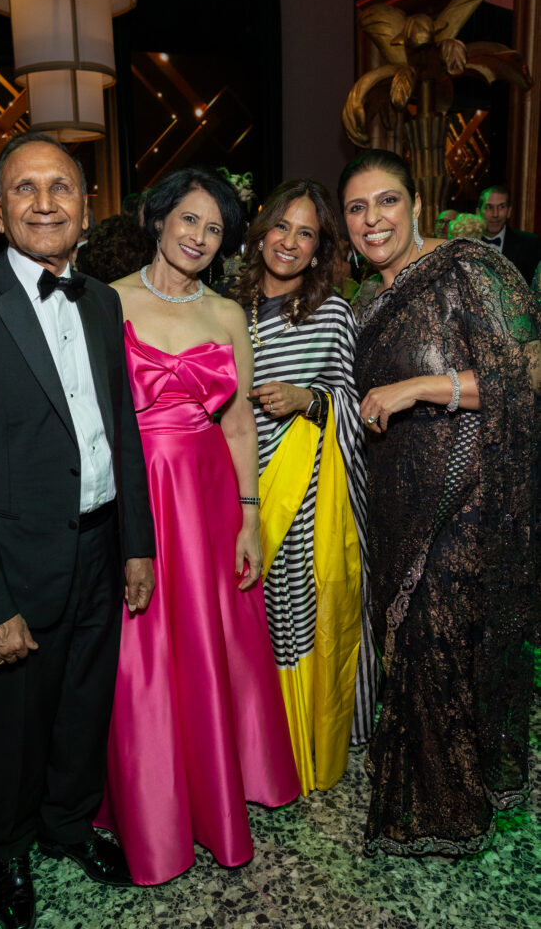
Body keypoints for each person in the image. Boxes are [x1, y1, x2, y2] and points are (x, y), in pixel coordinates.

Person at [0, 131, 155, 928]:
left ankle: (66, 823)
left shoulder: (103, 300)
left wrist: (135, 542)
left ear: (87, 206)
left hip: (97, 543)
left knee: (85, 702)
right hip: (13, 560)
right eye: (25, 188)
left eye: (61, 186)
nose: (45, 200)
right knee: (15, 721)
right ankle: (10, 848)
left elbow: (119, 426)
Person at [96, 167, 299, 885]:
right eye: (188, 220)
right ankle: (153, 805)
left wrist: (248, 517)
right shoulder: (107, 301)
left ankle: (220, 786)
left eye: (215, 230)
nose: (199, 237)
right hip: (140, 489)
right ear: (157, 220)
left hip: (211, 496)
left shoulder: (226, 316)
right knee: (144, 651)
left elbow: (240, 422)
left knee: (215, 642)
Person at [339, 148, 540, 857]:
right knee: (408, 650)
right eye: (357, 208)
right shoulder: (363, 301)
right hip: (395, 496)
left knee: (441, 643)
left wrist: (423, 389)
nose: (373, 220)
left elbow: (525, 372)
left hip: (469, 495)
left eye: (386, 201)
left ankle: (449, 808)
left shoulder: (468, 268)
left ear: (415, 202)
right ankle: (422, 793)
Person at [237, 179, 377, 796]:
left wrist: (308, 400)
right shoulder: (224, 306)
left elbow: (353, 404)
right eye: (281, 227)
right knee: (245, 622)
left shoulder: (332, 313)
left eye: (307, 234)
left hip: (305, 497)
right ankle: (249, 751)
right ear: (261, 229)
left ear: (321, 249)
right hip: (235, 490)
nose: (289, 243)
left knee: (298, 617)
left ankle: (302, 747)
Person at [477, 184, 541, 284]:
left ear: (509, 211)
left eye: (501, 207)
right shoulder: (465, 242)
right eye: (489, 207)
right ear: (478, 212)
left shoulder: (530, 243)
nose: (495, 214)